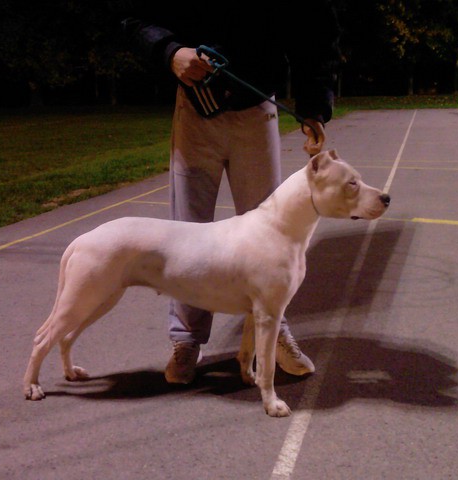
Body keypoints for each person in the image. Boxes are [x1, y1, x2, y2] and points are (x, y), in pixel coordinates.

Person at [121, 0, 341, 384]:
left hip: (257, 112)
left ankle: (275, 331)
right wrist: (170, 51)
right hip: (194, 112)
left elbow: (316, 31)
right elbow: (132, 16)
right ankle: (186, 340)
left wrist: (314, 106)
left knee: (272, 238)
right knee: (186, 234)